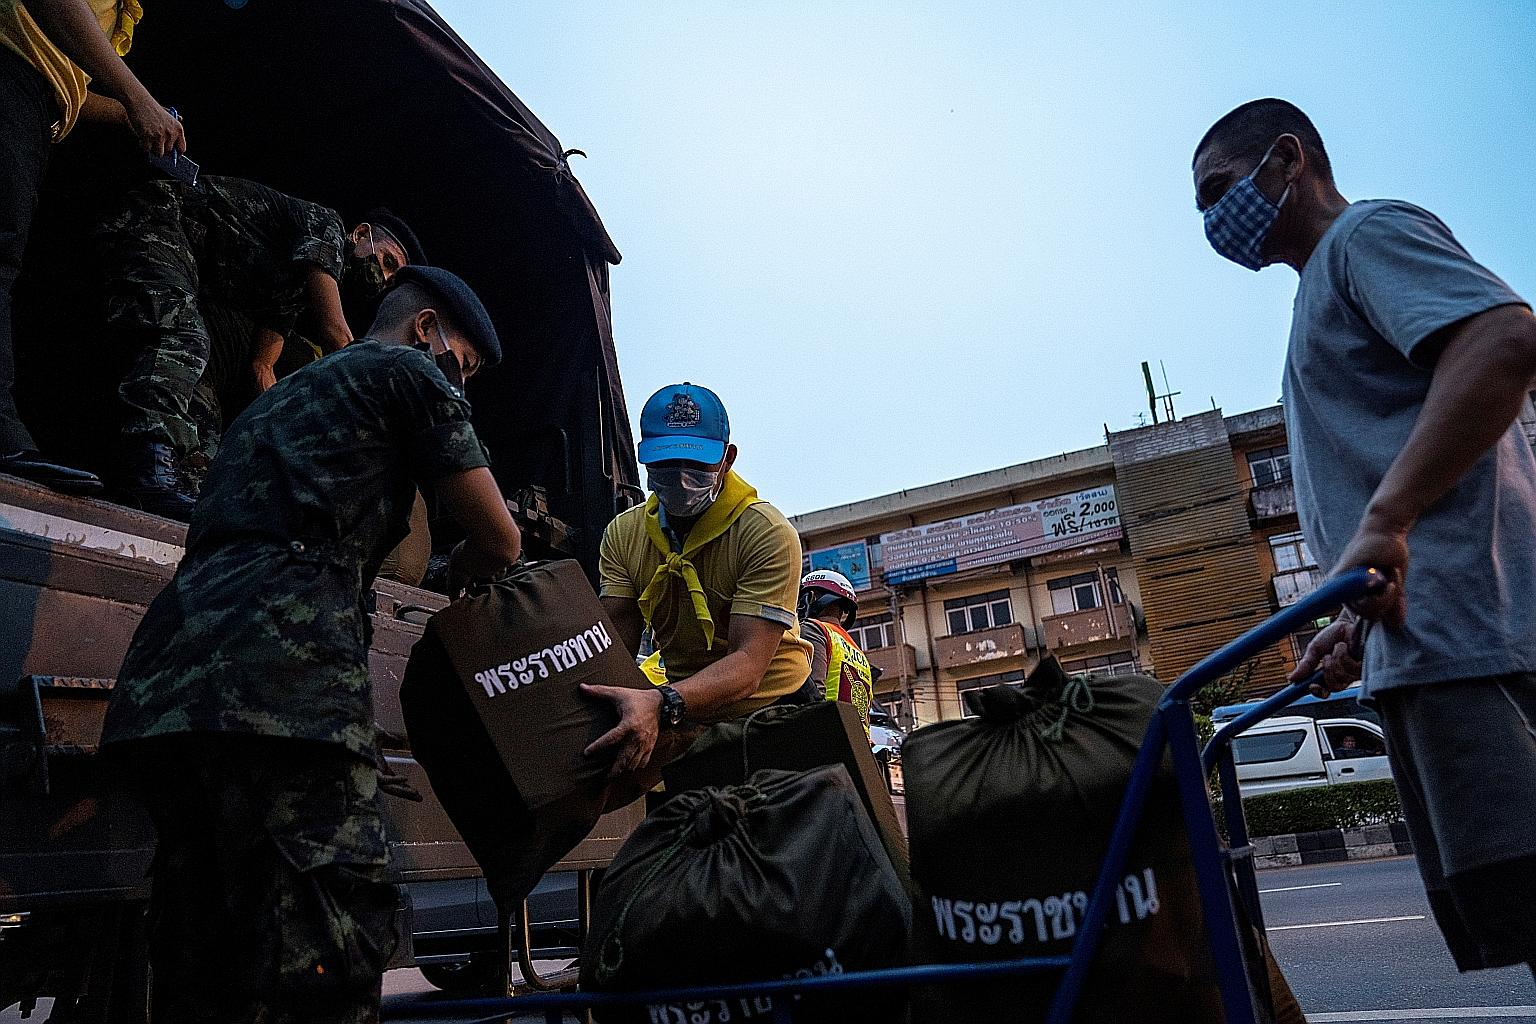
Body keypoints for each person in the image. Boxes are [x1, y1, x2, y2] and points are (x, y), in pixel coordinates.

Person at [100, 266, 521, 1023]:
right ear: (426, 329)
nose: (462, 383)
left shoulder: (279, 398)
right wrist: (462, 574)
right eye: (463, 364)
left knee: (201, 954)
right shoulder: (405, 372)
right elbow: (500, 537)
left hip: (167, 685)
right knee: (328, 953)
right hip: (285, 687)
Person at [1194, 98, 1536, 977]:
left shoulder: (1364, 238)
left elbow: (1503, 339)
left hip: (1473, 644)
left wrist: (1386, 521)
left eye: (1218, 190)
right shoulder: (1322, 289)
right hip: (1427, 647)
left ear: (1286, 159)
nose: (1210, 222)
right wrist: (1356, 625)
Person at [95, 175, 424, 517]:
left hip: (189, 272)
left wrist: (287, 441)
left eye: (391, 278)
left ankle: (185, 492)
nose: (384, 278)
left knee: (203, 405)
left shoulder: (290, 294)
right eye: (387, 262)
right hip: (158, 221)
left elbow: (261, 368)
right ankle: (148, 472)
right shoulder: (326, 226)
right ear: (360, 234)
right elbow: (335, 333)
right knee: (186, 338)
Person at [586, 381, 812, 786]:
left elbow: (748, 667)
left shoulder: (766, 533)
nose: (680, 478)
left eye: (697, 465)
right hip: (683, 710)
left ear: (727, 459)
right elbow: (613, 641)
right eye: (665, 464)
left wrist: (662, 701)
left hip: (775, 711)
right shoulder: (624, 534)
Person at [1, 0, 183, 493]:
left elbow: (70, 88)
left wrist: (127, 114)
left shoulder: (120, 15)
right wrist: (137, 97)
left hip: (35, 102)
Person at [794, 568, 876, 734]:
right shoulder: (857, 651)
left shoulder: (813, 630)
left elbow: (812, 694)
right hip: (858, 744)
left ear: (811, 598)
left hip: (828, 736)